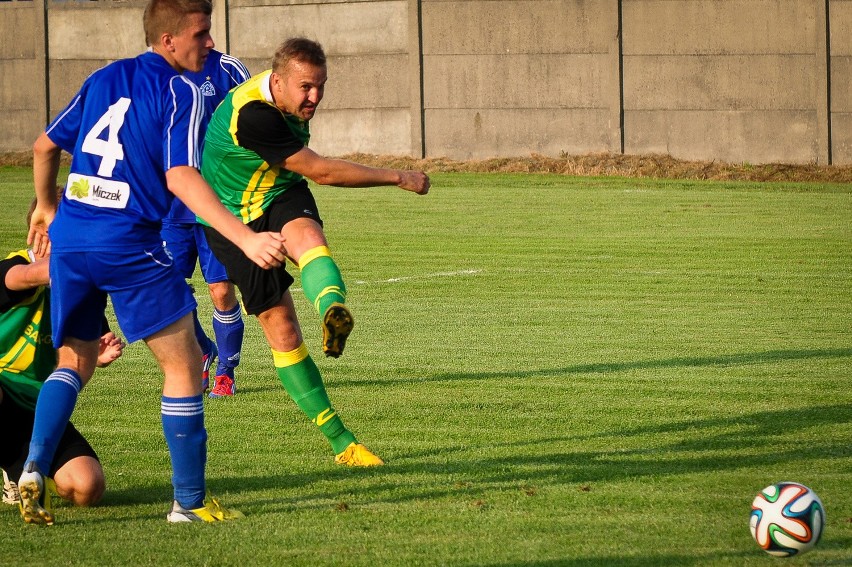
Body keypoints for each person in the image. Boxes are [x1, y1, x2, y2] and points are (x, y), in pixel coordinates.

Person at [20, 0, 286, 525]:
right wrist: (245, 239)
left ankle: (31, 469)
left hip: (73, 239)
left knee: (74, 362)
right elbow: (182, 177)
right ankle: (188, 504)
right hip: (129, 242)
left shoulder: (102, 77)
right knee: (184, 365)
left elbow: (43, 145)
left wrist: (49, 208)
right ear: (169, 39)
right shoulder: (178, 90)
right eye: (201, 34)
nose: (208, 45)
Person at [200, 37, 430, 467]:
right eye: (306, 87)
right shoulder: (254, 115)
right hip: (231, 219)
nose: (315, 97)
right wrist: (397, 176)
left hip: (279, 189)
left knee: (308, 240)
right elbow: (322, 171)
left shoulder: (288, 100)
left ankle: (332, 310)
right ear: (278, 81)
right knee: (283, 328)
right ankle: (343, 442)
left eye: (321, 86)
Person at [1, 199, 125, 519]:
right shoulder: (12, 267)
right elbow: (25, 277)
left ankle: (21, 473)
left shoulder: (82, 289)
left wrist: (98, 355)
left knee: (87, 488)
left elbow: (83, 352)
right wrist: (67, 266)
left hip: (37, 407)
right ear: (37, 231)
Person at [162, 49, 251, 398]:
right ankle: (202, 350)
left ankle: (226, 371)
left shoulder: (228, 69)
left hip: (218, 202)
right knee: (166, 290)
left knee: (221, 291)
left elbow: (253, 125)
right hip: (172, 203)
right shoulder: (157, 72)